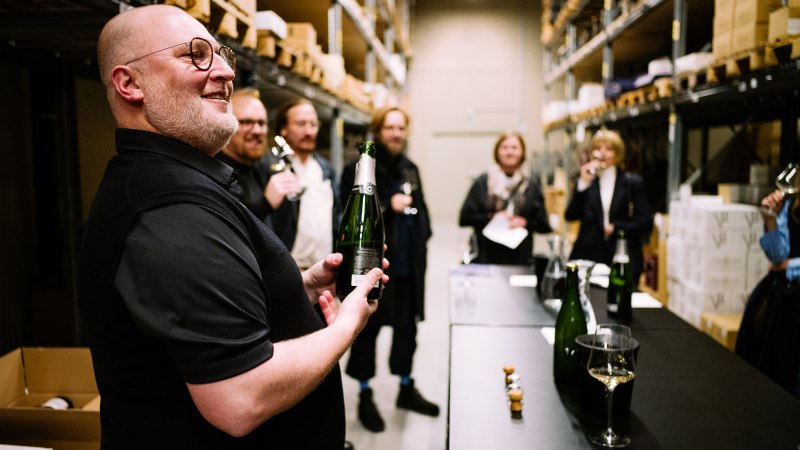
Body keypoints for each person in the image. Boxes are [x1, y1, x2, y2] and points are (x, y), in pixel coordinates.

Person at [77, 5, 386, 448]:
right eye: (195, 55)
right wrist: (346, 328)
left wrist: (294, 289)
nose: (224, 71)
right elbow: (239, 398)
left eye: (221, 54)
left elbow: (200, 319)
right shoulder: (172, 210)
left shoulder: (174, 180)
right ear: (130, 84)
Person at [341, 106, 438, 432]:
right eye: (390, 127)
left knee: (407, 332)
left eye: (401, 128)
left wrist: (422, 228)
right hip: (375, 268)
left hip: (409, 266)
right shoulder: (360, 169)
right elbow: (349, 215)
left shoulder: (411, 168)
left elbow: (422, 209)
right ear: (377, 131)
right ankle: (365, 395)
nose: (396, 133)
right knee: (366, 332)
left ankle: (405, 388)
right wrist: (388, 206)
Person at [735, 189, 800, 398]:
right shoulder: (792, 202)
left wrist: (790, 266)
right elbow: (778, 256)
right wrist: (770, 221)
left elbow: (783, 264)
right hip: (785, 299)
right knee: (773, 371)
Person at [564, 128, 652, 282]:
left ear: (618, 154)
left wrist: (616, 227)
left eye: (609, 149)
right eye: (598, 148)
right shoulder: (588, 181)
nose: (602, 153)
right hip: (589, 256)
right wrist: (582, 183)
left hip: (621, 257)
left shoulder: (632, 183)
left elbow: (645, 222)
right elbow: (570, 215)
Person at [458, 131, 552, 265]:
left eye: (514, 148)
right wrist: (492, 217)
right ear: (497, 152)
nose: (509, 152)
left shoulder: (531, 185)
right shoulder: (483, 182)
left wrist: (524, 222)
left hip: (519, 256)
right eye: (505, 147)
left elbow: (544, 225)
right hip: (487, 254)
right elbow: (464, 218)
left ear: (522, 152)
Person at [215, 88, 302, 224]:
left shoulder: (262, 168)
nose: (257, 131)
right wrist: (265, 204)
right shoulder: (214, 174)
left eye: (261, 123)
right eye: (246, 122)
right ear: (227, 124)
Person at [270, 98, 339, 269]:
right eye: (301, 124)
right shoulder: (272, 167)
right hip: (291, 269)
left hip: (326, 267)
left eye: (313, 125)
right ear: (283, 128)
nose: (309, 131)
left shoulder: (326, 169)